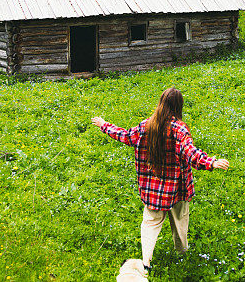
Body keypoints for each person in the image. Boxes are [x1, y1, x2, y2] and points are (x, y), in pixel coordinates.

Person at [92, 87, 229, 274]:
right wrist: (211, 162)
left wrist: (104, 124)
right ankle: (182, 253)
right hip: (177, 187)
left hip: (153, 189)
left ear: (161, 103)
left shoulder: (147, 125)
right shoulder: (178, 128)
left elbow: (125, 136)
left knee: (150, 223)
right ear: (178, 105)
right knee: (180, 220)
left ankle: (146, 263)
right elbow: (190, 151)